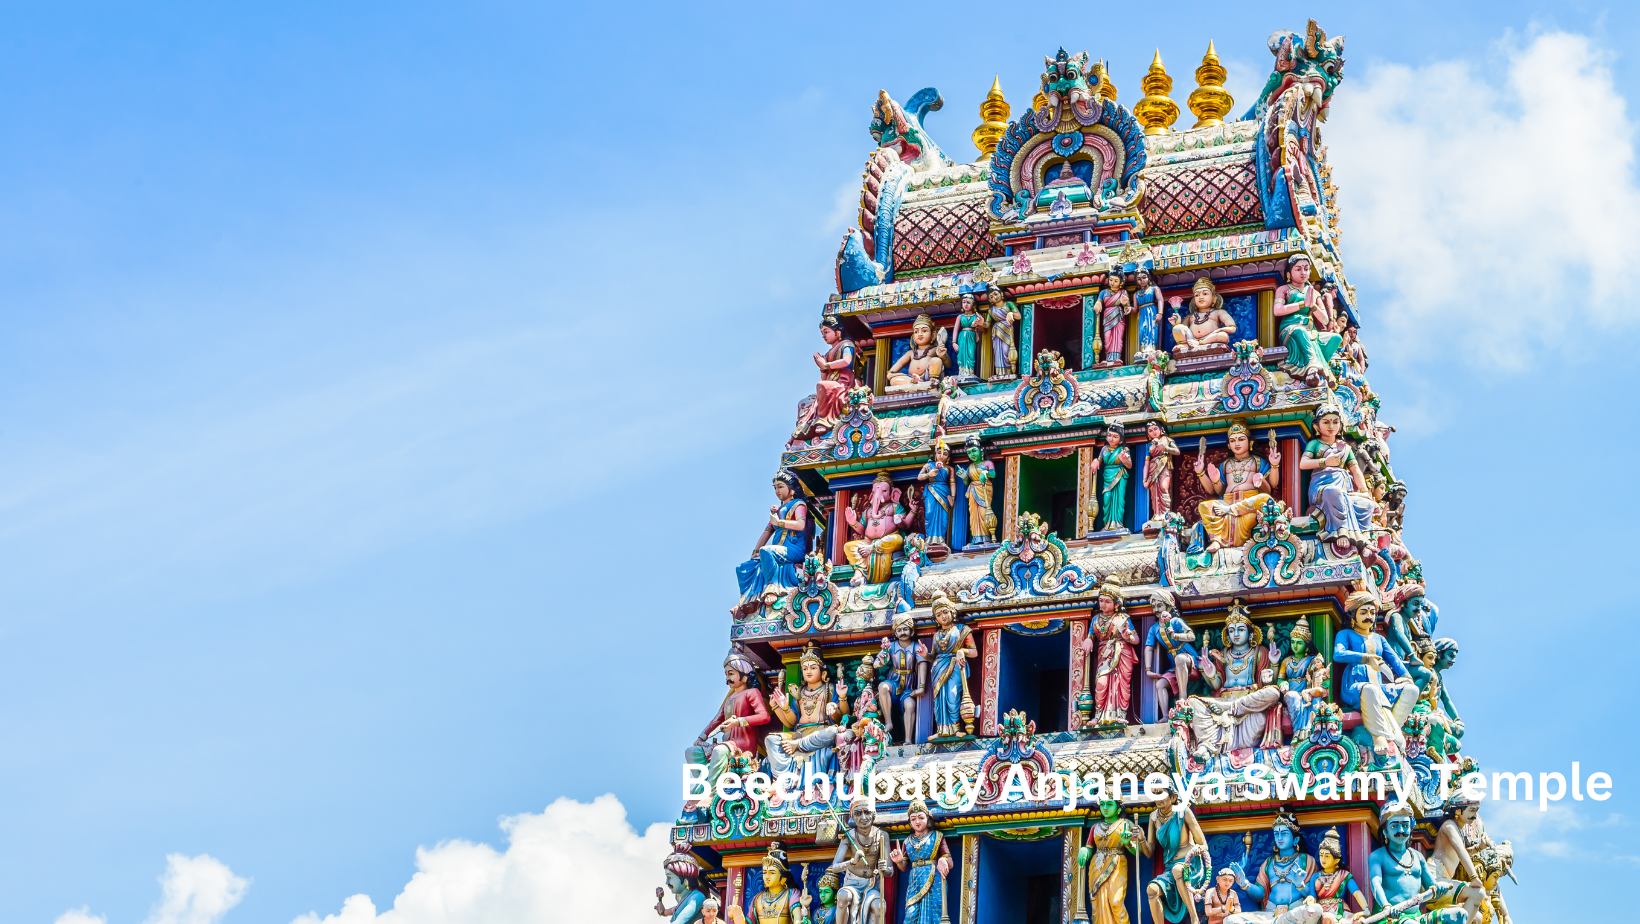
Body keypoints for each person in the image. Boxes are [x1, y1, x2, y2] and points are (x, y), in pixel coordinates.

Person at [1183, 602, 1283, 759]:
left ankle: (1231, 711)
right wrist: (1209, 673)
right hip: (1223, 701)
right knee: (1193, 703)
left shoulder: (1259, 652)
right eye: (1232, 630)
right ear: (1227, 635)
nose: (1236, 634)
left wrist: (1274, 664)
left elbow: (1267, 685)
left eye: (1241, 629)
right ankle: (1208, 745)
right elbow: (1217, 685)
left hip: (1247, 707)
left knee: (1274, 693)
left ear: (1251, 634)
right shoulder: (1223, 654)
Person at [683, 648, 771, 810]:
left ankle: (710, 794)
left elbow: (764, 716)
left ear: (744, 676)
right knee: (691, 752)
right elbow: (717, 719)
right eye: (726, 674)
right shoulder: (730, 698)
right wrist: (702, 738)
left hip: (743, 744)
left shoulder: (752, 693)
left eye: (731, 674)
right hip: (728, 742)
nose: (727, 678)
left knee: (720, 751)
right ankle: (703, 787)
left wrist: (738, 722)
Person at [1333, 590, 1418, 758]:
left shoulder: (1379, 639)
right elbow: (1338, 654)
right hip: (1355, 687)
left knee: (1411, 690)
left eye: (1372, 613)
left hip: (1379, 687)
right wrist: (1366, 658)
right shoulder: (1346, 634)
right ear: (1353, 615)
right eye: (1363, 612)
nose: (1369, 617)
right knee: (1370, 689)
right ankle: (1378, 735)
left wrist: (1406, 677)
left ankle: (1392, 727)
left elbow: (1394, 661)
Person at [766, 643, 849, 804]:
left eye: (812, 667)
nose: (808, 671)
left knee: (834, 731)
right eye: (805, 669)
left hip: (821, 731)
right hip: (799, 732)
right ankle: (781, 780)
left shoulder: (829, 689)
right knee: (771, 740)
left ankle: (799, 745)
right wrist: (779, 707)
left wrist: (842, 698)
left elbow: (842, 718)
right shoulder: (800, 694)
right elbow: (791, 723)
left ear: (822, 672)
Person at [1368, 802, 1468, 924]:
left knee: (1459, 915)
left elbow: (1432, 886)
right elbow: (1376, 883)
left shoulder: (1417, 856)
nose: (1401, 830)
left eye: (1405, 825)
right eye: (1394, 826)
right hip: (1390, 918)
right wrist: (1386, 906)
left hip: (1416, 917)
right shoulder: (1377, 856)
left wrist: (1439, 887)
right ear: (1385, 832)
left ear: (1410, 829)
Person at [1301, 402, 1378, 558]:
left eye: (1335, 422)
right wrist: (1324, 462)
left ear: (1340, 425)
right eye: (1326, 422)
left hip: (1344, 489)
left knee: (1367, 504)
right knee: (1333, 493)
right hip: (1323, 487)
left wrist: (1364, 491)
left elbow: (1355, 470)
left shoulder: (1346, 448)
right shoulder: (1315, 444)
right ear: (1316, 426)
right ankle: (1340, 532)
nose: (1331, 426)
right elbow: (1303, 464)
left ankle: (1364, 538)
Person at [1192, 421, 1281, 553]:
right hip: (1226, 500)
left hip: (1248, 505)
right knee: (1204, 506)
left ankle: (1230, 510)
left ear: (1250, 443)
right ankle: (1217, 539)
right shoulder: (1226, 464)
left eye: (1241, 439)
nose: (1237, 443)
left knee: (1264, 499)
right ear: (1228, 445)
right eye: (1232, 441)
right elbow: (1215, 490)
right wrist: (1204, 474)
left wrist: (1271, 468)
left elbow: (1270, 487)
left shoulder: (1256, 461)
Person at [735, 470, 809, 614]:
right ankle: (749, 599)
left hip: (793, 549)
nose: (777, 491)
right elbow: (767, 531)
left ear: (791, 489)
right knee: (744, 567)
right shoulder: (780, 509)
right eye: (775, 487)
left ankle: (772, 588)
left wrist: (779, 522)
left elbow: (800, 525)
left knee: (767, 551)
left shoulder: (798, 505)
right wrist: (755, 552)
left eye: (780, 486)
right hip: (778, 549)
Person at [1143, 781, 1211, 924]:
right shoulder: (1153, 817)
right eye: (1154, 794)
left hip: (1190, 865)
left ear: (1173, 798)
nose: (1157, 798)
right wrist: (1141, 839)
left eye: (1161, 793)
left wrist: (1195, 851)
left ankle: (1194, 918)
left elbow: (1203, 844)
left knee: (1177, 870)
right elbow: (1149, 852)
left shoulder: (1183, 812)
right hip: (1170, 868)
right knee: (1152, 890)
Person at [1272, 254, 1341, 387]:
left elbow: (1325, 319)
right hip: (1291, 327)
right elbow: (1278, 310)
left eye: (1306, 269)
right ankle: (1311, 367)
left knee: (1335, 338)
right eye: (1298, 269)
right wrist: (1302, 304)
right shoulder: (1285, 290)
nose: (1303, 273)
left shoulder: (1314, 293)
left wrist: (1313, 306)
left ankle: (1320, 366)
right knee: (1300, 332)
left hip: (1311, 330)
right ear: (1289, 273)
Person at [1232, 810, 1317, 912]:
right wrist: (1245, 884)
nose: (1280, 838)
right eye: (1276, 834)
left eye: (1284, 833)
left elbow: (1312, 895)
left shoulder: (1307, 861)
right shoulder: (1269, 863)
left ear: (1296, 840)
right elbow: (1260, 895)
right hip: (1270, 913)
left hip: (1295, 913)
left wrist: (1300, 885)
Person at [1077, 798, 1146, 924]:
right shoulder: (1095, 827)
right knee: (1097, 903)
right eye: (1102, 804)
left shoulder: (1126, 824)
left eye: (1109, 804)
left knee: (1116, 901)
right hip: (1097, 866)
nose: (1105, 807)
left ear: (1119, 808)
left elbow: (1139, 851)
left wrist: (1128, 844)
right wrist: (1084, 851)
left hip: (1117, 862)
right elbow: (1090, 847)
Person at [1080, 581, 1139, 726]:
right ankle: (1099, 716)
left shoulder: (1122, 619)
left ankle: (1120, 714)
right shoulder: (1096, 619)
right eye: (1101, 601)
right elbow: (1091, 635)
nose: (1103, 604)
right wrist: (1088, 639)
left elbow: (1136, 639)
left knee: (1120, 685)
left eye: (1107, 601)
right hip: (1104, 655)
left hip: (1121, 653)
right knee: (1101, 683)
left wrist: (1128, 637)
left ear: (1116, 604)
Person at [890, 799, 952, 924]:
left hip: (934, 879)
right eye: (913, 819)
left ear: (928, 820)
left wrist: (942, 859)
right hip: (915, 881)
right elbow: (904, 867)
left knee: (935, 914)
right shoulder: (907, 841)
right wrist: (898, 861)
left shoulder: (937, 836)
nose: (917, 822)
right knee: (911, 914)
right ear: (910, 823)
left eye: (921, 817)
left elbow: (950, 861)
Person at [796, 316, 857, 439]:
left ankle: (824, 421)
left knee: (822, 386)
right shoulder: (828, 353)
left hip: (843, 384)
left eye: (826, 332)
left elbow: (847, 360)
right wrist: (823, 368)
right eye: (822, 333)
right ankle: (804, 428)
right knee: (804, 402)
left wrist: (826, 365)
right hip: (831, 384)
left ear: (838, 332)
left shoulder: (846, 345)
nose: (824, 336)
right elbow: (825, 378)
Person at [844, 472, 909, 585]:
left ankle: (872, 548)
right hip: (868, 541)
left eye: (884, 491)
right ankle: (859, 572)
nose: (879, 495)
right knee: (848, 546)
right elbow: (862, 530)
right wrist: (853, 522)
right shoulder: (868, 511)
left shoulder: (894, 507)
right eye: (875, 492)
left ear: (893, 494)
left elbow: (905, 525)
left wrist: (899, 521)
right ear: (871, 495)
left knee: (896, 539)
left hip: (888, 541)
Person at [927, 593, 977, 738]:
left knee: (952, 696)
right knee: (939, 700)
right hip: (938, 668)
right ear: (935, 619)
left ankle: (955, 729)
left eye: (945, 612)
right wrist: (925, 655)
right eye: (938, 614)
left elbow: (974, 652)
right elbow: (933, 656)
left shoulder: (962, 630)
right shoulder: (936, 635)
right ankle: (941, 731)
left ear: (952, 612)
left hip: (955, 666)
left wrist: (962, 650)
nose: (943, 616)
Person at [874, 611, 928, 743]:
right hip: (894, 681)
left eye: (905, 629)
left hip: (909, 686)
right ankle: (888, 722)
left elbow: (922, 665)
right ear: (895, 633)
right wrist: (882, 660)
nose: (902, 632)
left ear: (912, 632)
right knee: (883, 687)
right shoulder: (891, 646)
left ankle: (908, 739)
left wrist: (921, 687)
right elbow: (876, 664)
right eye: (899, 630)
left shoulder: (916, 647)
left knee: (909, 705)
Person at [1145, 588, 1199, 720]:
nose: (1156, 610)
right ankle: (1164, 716)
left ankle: (1183, 700)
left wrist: (1175, 635)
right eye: (1153, 607)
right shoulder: (1154, 628)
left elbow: (1191, 636)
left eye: (1159, 605)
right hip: (1174, 663)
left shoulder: (1176, 622)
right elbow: (1149, 648)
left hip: (1187, 657)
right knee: (1160, 685)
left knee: (1180, 659)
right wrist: (1147, 669)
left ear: (1168, 606)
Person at [832, 800, 889, 924]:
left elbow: (890, 871)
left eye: (867, 812)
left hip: (871, 884)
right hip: (852, 883)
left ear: (873, 814)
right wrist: (852, 861)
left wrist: (884, 868)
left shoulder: (882, 836)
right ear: (852, 816)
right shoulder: (849, 836)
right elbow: (835, 867)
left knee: (880, 906)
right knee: (842, 897)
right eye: (858, 813)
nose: (863, 817)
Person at [1275, 622, 1329, 741]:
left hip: (1307, 691)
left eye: (1299, 643)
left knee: (1316, 700)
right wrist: (1282, 683)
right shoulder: (1286, 661)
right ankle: (1298, 732)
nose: (1295, 645)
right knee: (1293, 697)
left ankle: (1312, 731)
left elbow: (1319, 672)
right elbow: (1280, 679)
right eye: (1293, 642)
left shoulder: (1311, 660)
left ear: (1306, 645)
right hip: (1291, 692)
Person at [1309, 828, 1368, 919]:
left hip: (1340, 912)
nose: (1323, 859)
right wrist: (1310, 900)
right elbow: (1312, 896)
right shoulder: (1315, 877)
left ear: (1336, 860)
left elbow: (1356, 892)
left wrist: (1366, 909)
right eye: (1321, 855)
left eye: (1327, 856)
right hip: (1320, 912)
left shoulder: (1344, 875)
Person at [1169, 277, 1236, 355]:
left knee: (1223, 335)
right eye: (1197, 295)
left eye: (1205, 294)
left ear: (1214, 298)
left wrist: (1220, 330)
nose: (1201, 297)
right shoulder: (1191, 316)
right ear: (1194, 300)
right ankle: (1184, 345)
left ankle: (1201, 343)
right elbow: (1183, 330)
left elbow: (1232, 328)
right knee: (1177, 328)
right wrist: (1176, 324)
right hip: (1191, 340)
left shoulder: (1218, 312)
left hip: (1210, 338)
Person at [886, 315, 948, 389]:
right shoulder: (910, 353)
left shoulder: (935, 349)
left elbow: (949, 365)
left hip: (929, 376)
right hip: (912, 378)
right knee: (893, 381)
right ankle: (915, 381)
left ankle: (933, 381)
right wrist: (891, 374)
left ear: (933, 334)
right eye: (916, 331)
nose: (920, 334)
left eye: (924, 331)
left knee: (936, 360)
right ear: (913, 336)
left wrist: (943, 356)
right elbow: (892, 371)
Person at [959, 435, 998, 545]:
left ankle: (986, 537)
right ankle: (976, 538)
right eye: (969, 452)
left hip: (984, 490)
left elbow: (993, 474)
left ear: (981, 452)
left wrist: (985, 472)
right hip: (973, 491)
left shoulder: (987, 463)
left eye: (974, 451)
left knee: (983, 513)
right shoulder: (970, 467)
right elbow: (967, 481)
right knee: (974, 515)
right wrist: (964, 477)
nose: (972, 454)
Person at [917, 443, 955, 549]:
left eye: (945, 454)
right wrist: (929, 475)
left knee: (943, 517)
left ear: (948, 457)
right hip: (931, 490)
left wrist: (952, 497)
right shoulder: (929, 466)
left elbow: (952, 483)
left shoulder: (949, 468)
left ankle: (941, 538)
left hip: (944, 491)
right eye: (939, 453)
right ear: (935, 455)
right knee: (929, 513)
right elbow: (919, 477)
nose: (941, 456)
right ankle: (929, 538)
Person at [1143, 420, 1180, 523]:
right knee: (1154, 491)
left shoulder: (1166, 439)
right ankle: (1157, 514)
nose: (1154, 432)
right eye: (1150, 431)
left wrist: (1165, 448)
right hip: (1153, 467)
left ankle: (1166, 514)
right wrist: (1145, 479)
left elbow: (1177, 451)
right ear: (1148, 434)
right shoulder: (1149, 446)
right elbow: (1146, 463)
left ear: (1161, 430)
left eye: (1155, 429)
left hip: (1164, 464)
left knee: (1163, 488)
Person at [1097, 423, 1132, 531]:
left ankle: (1117, 523)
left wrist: (1125, 461)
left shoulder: (1123, 450)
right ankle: (1107, 524)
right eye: (1109, 435)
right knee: (1107, 498)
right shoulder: (1104, 449)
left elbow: (1130, 465)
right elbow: (1099, 461)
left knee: (1119, 500)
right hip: (1107, 475)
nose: (1111, 439)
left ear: (1120, 439)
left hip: (1119, 475)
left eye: (1115, 436)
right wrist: (1095, 462)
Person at [986, 284, 1021, 379]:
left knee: (1006, 350)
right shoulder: (991, 310)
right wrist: (980, 322)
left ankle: (1009, 371)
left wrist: (1010, 313)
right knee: (998, 352)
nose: (994, 297)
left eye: (996, 294)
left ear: (1001, 294)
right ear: (989, 300)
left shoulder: (1009, 304)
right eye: (991, 297)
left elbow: (1019, 316)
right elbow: (987, 324)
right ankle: (1000, 373)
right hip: (997, 331)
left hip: (1007, 329)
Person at [1098, 270, 1133, 365]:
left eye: (1115, 281)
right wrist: (1098, 304)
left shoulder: (1123, 292)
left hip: (1118, 316)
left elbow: (1127, 309)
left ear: (1121, 283)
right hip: (1107, 316)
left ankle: (1116, 358)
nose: (1112, 283)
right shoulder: (1104, 292)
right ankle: (1108, 358)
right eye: (1111, 280)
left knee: (1118, 338)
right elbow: (1098, 302)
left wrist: (1125, 304)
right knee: (1107, 338)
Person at [953, 293, 988, 381]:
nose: (965, 304)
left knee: (971, 354)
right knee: (961, 355)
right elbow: (955, 330)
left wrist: (978, 324)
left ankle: (970, 373)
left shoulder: (976, 316)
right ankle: (962, 373)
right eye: (964, 302)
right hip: (962, 337)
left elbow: (984, 331)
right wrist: (954, 343)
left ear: (973, 305)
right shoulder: (960, 317)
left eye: (968, 302)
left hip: (972, 336)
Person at [1132, 267, 1164, 358]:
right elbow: (1135, 309)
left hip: (1152, 311)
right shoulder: (1136, 294)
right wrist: (1128, 308)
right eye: (1139, 279)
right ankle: (1143, 349)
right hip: (1142, 313)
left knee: (1151, 329)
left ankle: (1151, 348)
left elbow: (1160, 299)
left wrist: (1160, 312)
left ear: (1149, 277)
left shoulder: (1154, 288)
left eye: (1144, 277)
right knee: (1143, 330)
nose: (1142, 280)